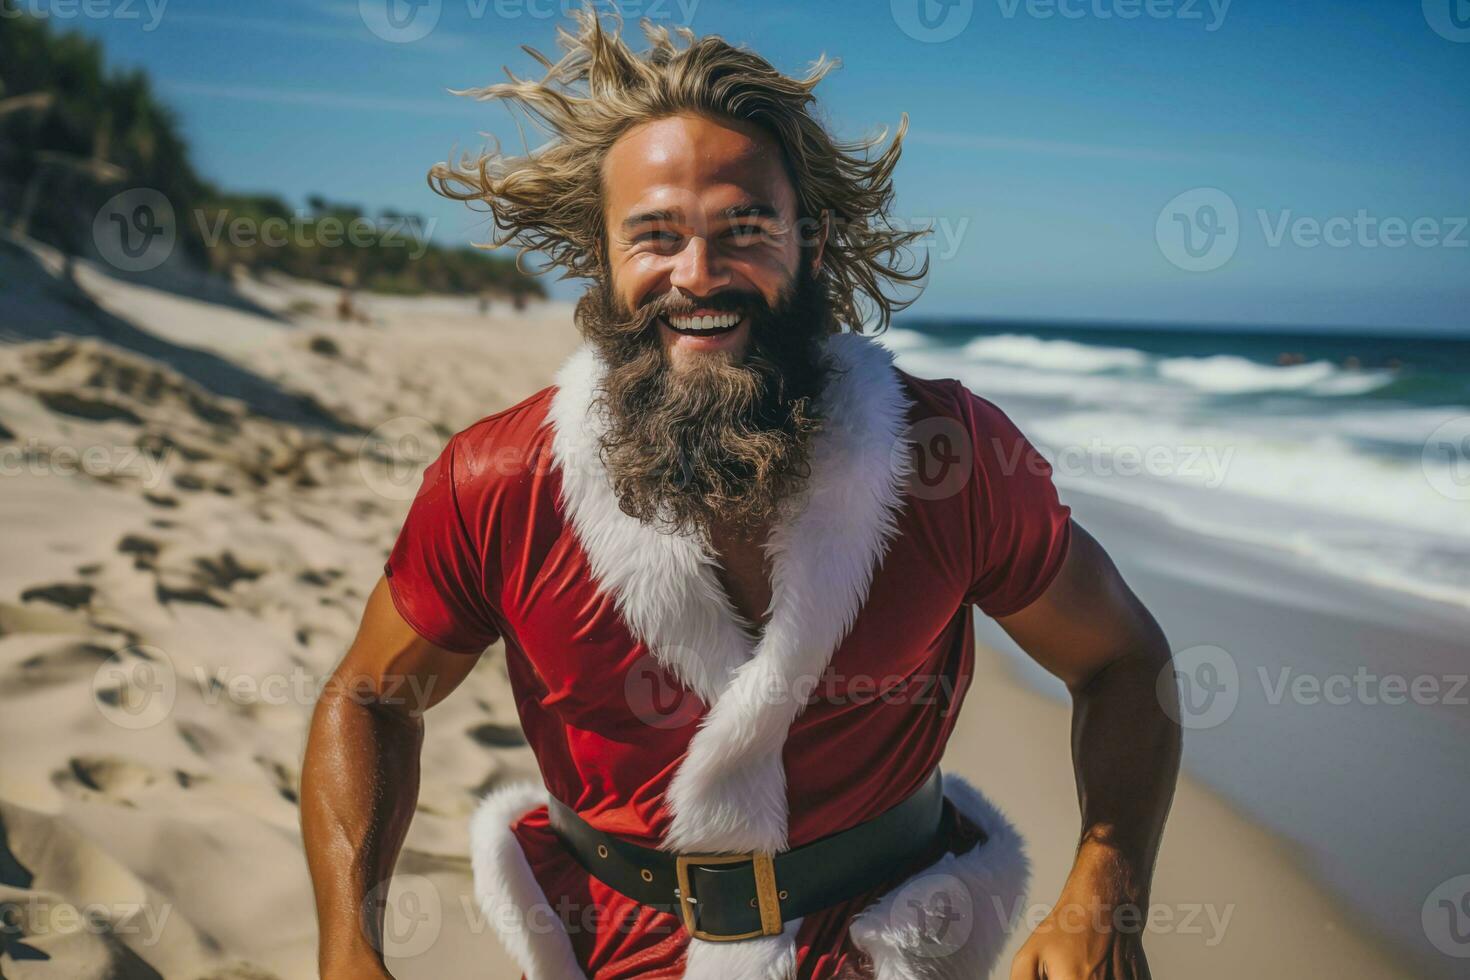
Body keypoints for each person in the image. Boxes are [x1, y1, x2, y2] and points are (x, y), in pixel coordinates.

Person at [302, 10, 1180, 979]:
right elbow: (372, 697)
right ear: (604, 254)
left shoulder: (950, 458)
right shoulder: (498, 482)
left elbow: (1123, 661)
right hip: (599, 954)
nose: (699, 275)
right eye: (655, 236)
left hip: (890, 947)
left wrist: (1106, 891)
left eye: (744, 229)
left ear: (812, 241)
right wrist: (349, 948)